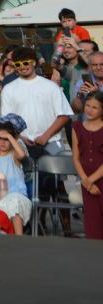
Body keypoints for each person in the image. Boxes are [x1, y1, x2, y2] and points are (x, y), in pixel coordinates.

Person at [0, 46, 73, 159]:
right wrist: (20, 137)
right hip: (21, 144)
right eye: (18, 64)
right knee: (25, 176)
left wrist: (45, 136)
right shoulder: (8, 89)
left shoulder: (51, 86)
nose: (22, 67)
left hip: (51, 142)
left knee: (53, 176)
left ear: (34, 63)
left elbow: (64, 115)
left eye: (26, 63)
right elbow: (8, 119)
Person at [71, 90, 103, 239]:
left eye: (95, 107)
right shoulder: (77, 127)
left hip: (98, 177)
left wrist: (91, 180)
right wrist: (86, 180)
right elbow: (76, 157)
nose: (90, 110)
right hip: (86, 181)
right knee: (92, 221)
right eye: (88, 105)